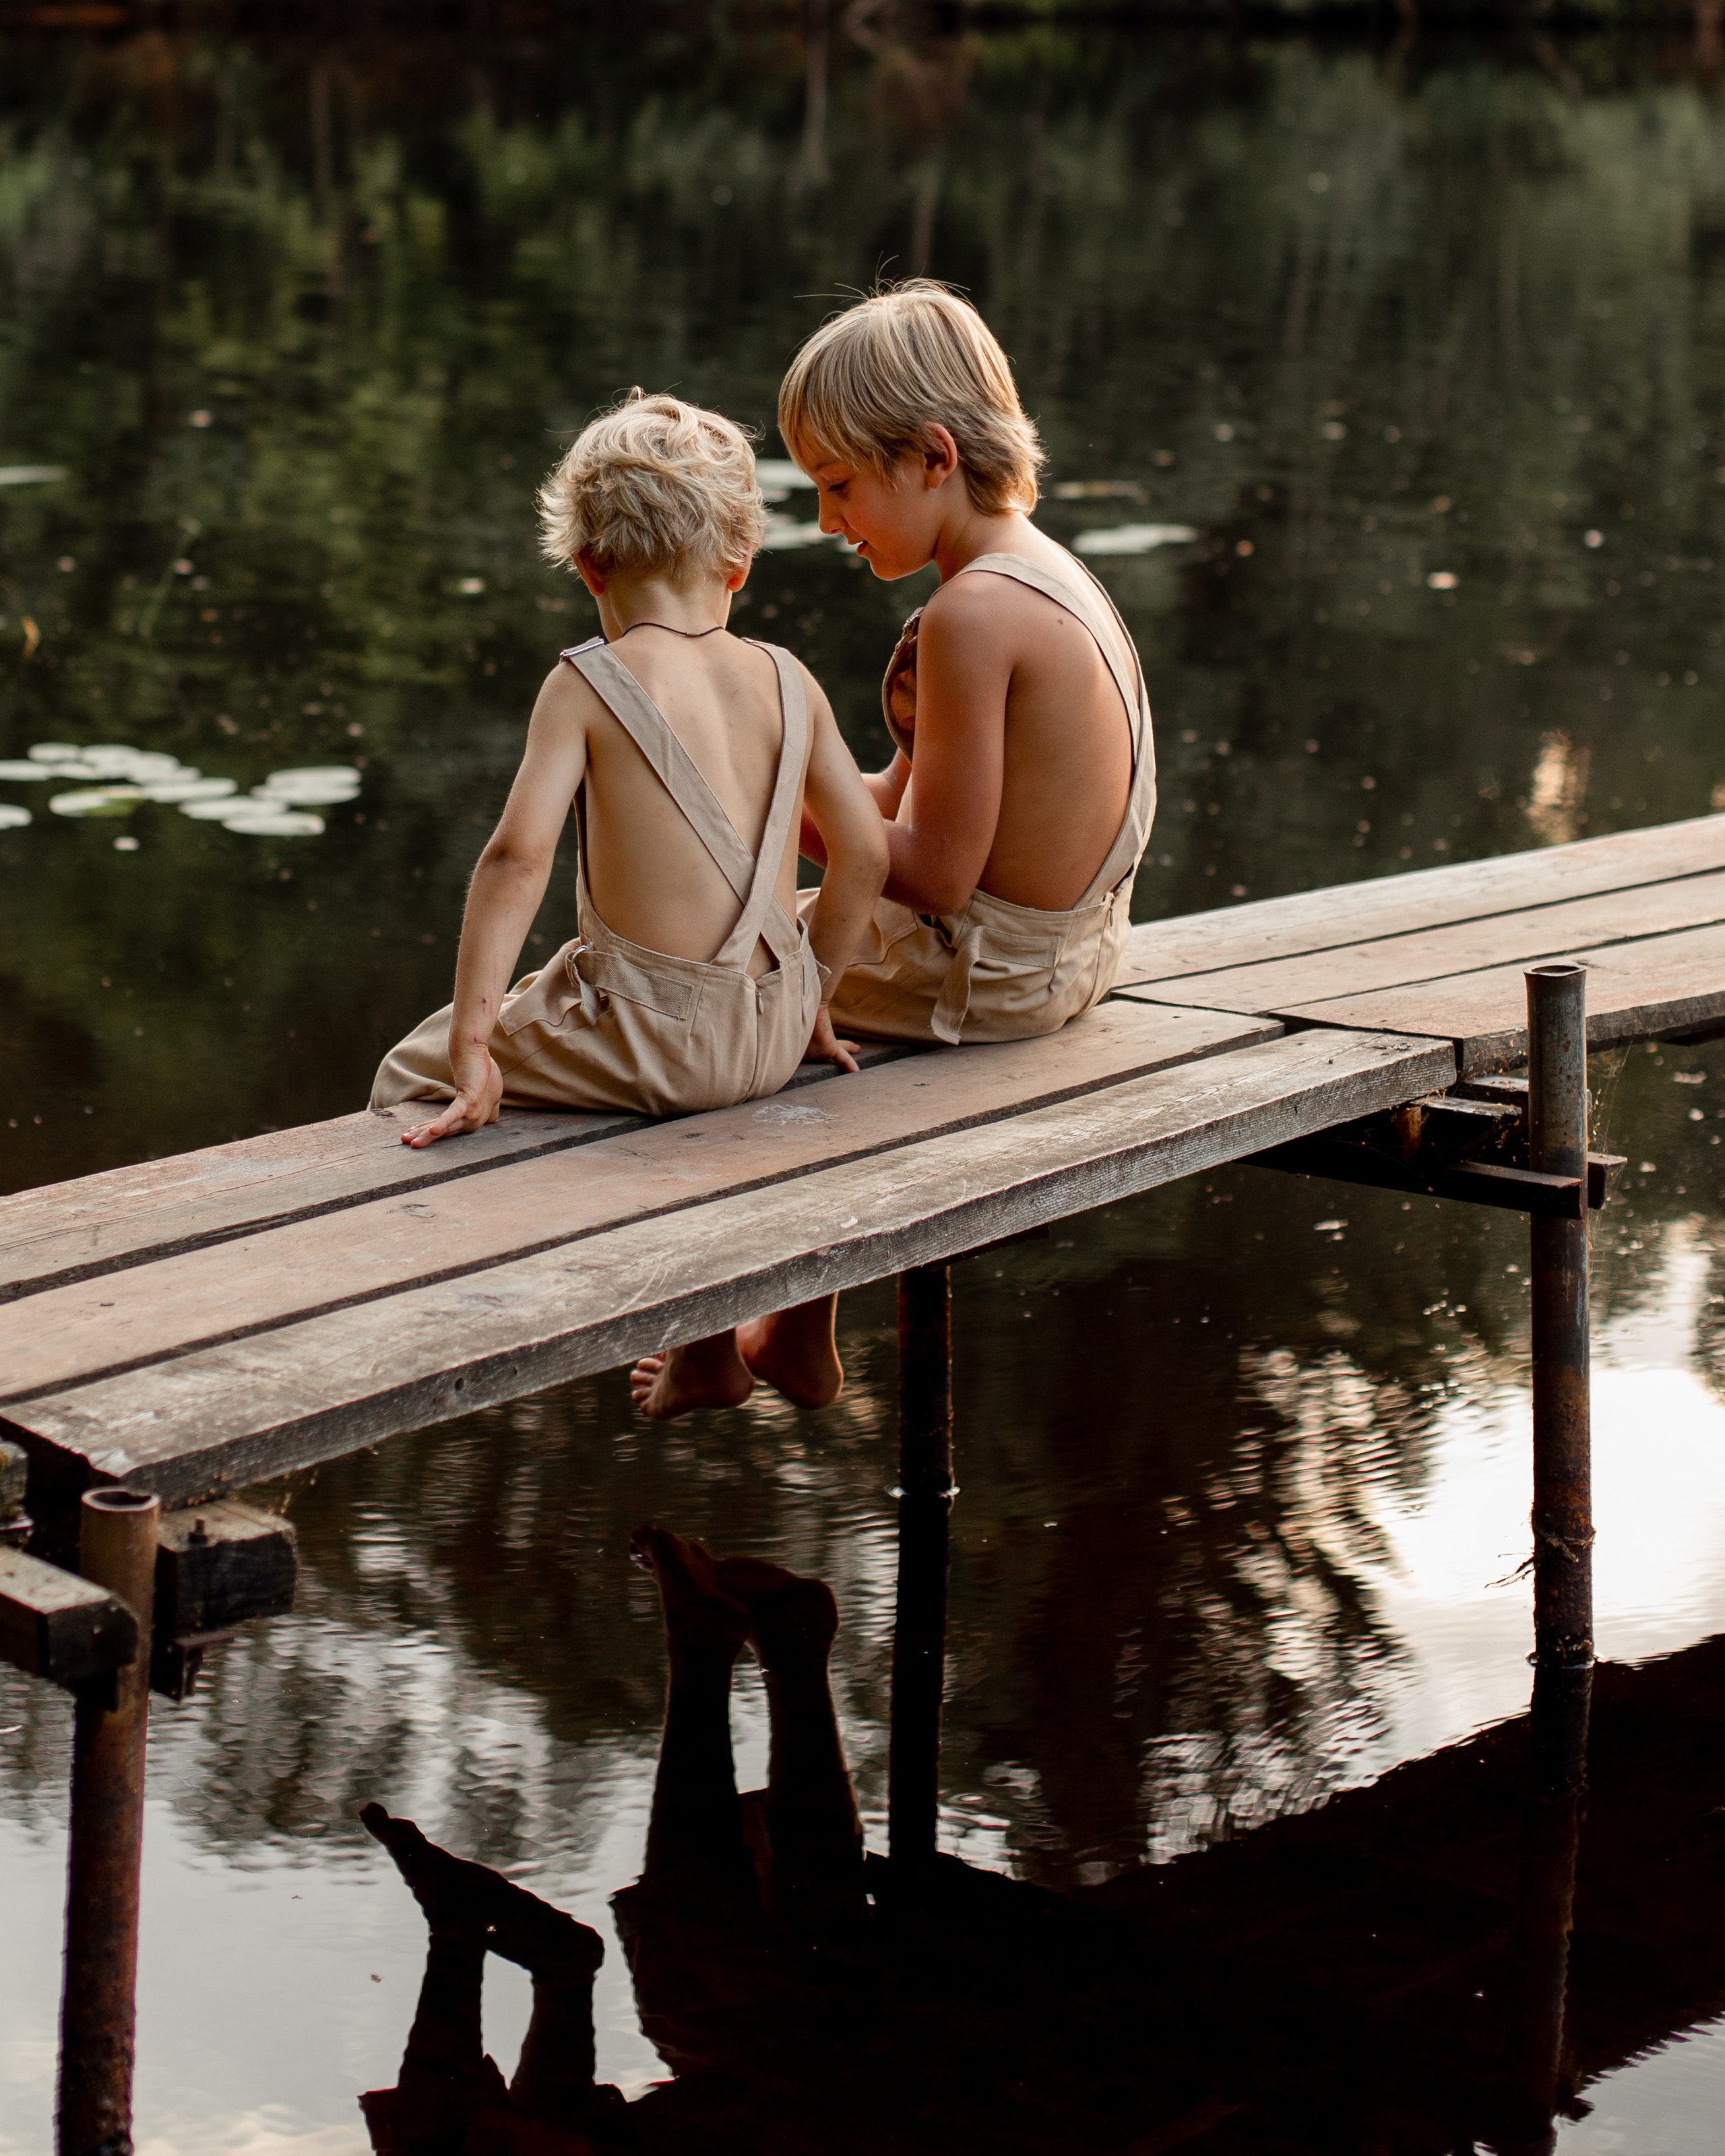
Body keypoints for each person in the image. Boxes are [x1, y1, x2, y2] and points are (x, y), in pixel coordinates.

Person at [633, 282, 1156, 1418]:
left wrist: (752, 783)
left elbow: (933, 872)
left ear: (930, 456)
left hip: (994, 978)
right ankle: (795, 1335)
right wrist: (790, 782)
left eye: (837, 486)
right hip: (1059, 956)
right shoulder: (1049, 577)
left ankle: (715, 1341)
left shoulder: (975, 618)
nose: (827, 522)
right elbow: (902, 808)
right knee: (791, 952)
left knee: (703, 997)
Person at [371, 393, 887, 1416]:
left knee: (407, 1073)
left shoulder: (588, 682)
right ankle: (712, 1344)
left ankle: (489, 1314)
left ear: (590, 568)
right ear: (740, 561)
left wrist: (477, 1044)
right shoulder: (791, 679)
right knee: (691, 1095)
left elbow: (516, 859)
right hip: (773, 1031)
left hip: (654, 1037)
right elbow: (864, 855)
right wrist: (813, 994)